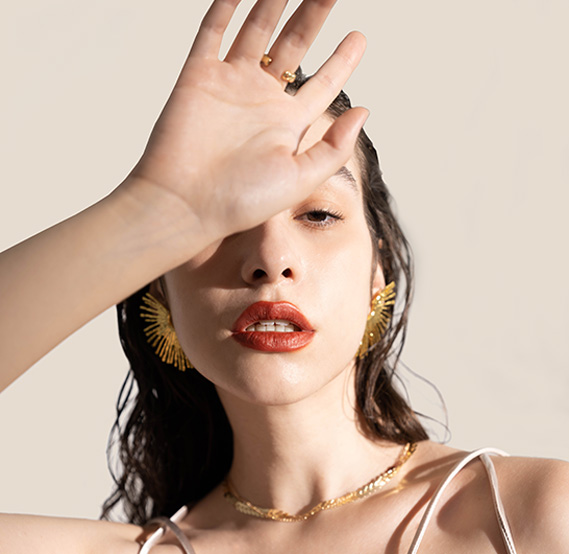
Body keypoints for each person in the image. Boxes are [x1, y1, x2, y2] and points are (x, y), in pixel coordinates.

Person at [1, 0, 568, 552]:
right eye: (226, 223)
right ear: (161, 293)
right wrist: (155, 207)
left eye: (318, 214)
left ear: (377, 272)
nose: (271, 259)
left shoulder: (532, 516)